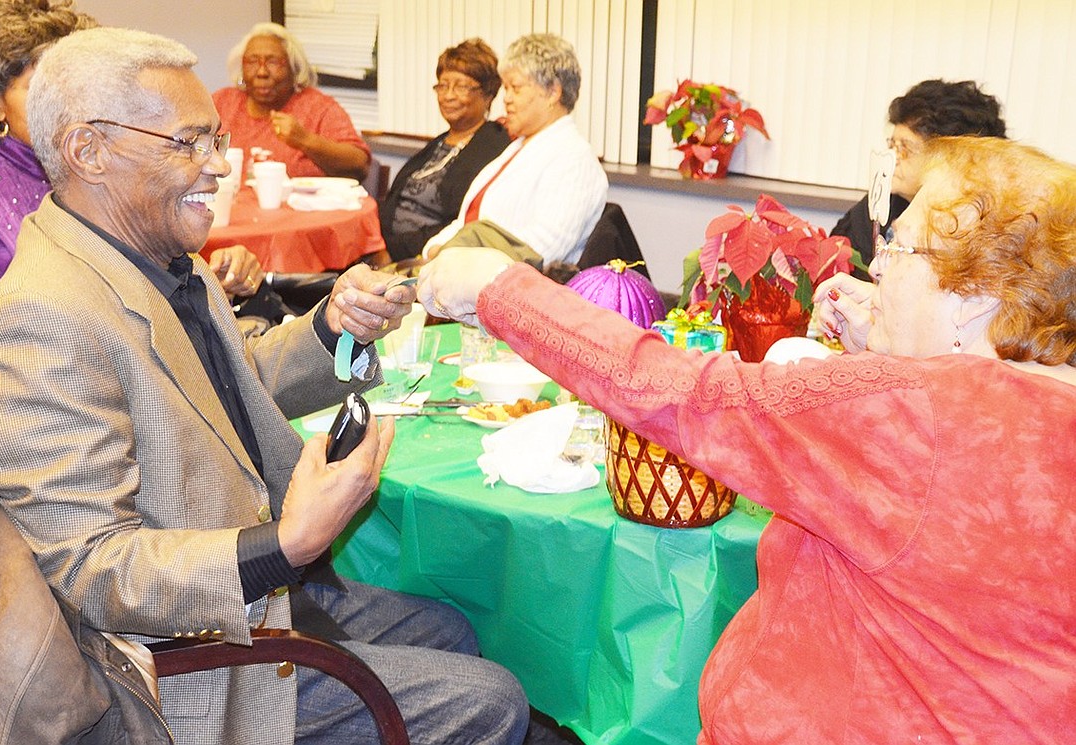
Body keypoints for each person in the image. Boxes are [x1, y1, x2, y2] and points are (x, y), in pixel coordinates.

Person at [0, 26, 530, 745]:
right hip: (175, 667)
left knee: (452, 625)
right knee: (493, 699)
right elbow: (92, 567)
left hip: (258, 594)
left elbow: (207, 395)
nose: (217, 168)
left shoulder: (156, 253)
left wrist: (333, 327)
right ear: (88, 150)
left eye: (217, 142)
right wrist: (283, 544)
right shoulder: (42, 316)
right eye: (188, 145)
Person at [417, 135, 1075, 742]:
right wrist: (885, 349)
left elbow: (681, 392)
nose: (879, 265)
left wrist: (499, 289)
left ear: (978, 296)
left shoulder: (921, 417)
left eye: (901, 248)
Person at [0, 0, 262, 343]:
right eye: (38, 87)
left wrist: (208, 283)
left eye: (77, 85)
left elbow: (146, 279)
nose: (61, 102)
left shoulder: (116, 162)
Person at [423, 33, 607, 266]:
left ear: (553, 92)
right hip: (460, 273)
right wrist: (432, 251)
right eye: (506, 88)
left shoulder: (575, 161)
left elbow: (542, 252)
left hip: (507, 291)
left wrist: (450, 256)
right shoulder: (519, 147)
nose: (506, 99)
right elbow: (466, 222)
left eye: (516, 88)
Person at [831, 79, 1006, 277]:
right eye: (892, 145)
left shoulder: (983, 230)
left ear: (952, 158)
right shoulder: (881, 205)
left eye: (905, 148)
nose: (892, 158)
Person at [378, 38, 511, 263]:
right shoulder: (439, 143)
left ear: (488, 94)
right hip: (388, 248)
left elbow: (460, 221)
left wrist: (391, 251)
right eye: (442, 85)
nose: (448, 95)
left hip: (426, 259)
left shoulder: (494, 146)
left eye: (460, 86)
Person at [213, 22, 370, 180]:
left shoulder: (319, 107)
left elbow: (359, 165)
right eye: (252, 62)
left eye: (273, 62)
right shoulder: (223, 102)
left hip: (301, 204)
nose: (262, 72)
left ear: (294, 68)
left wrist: (304, 139)